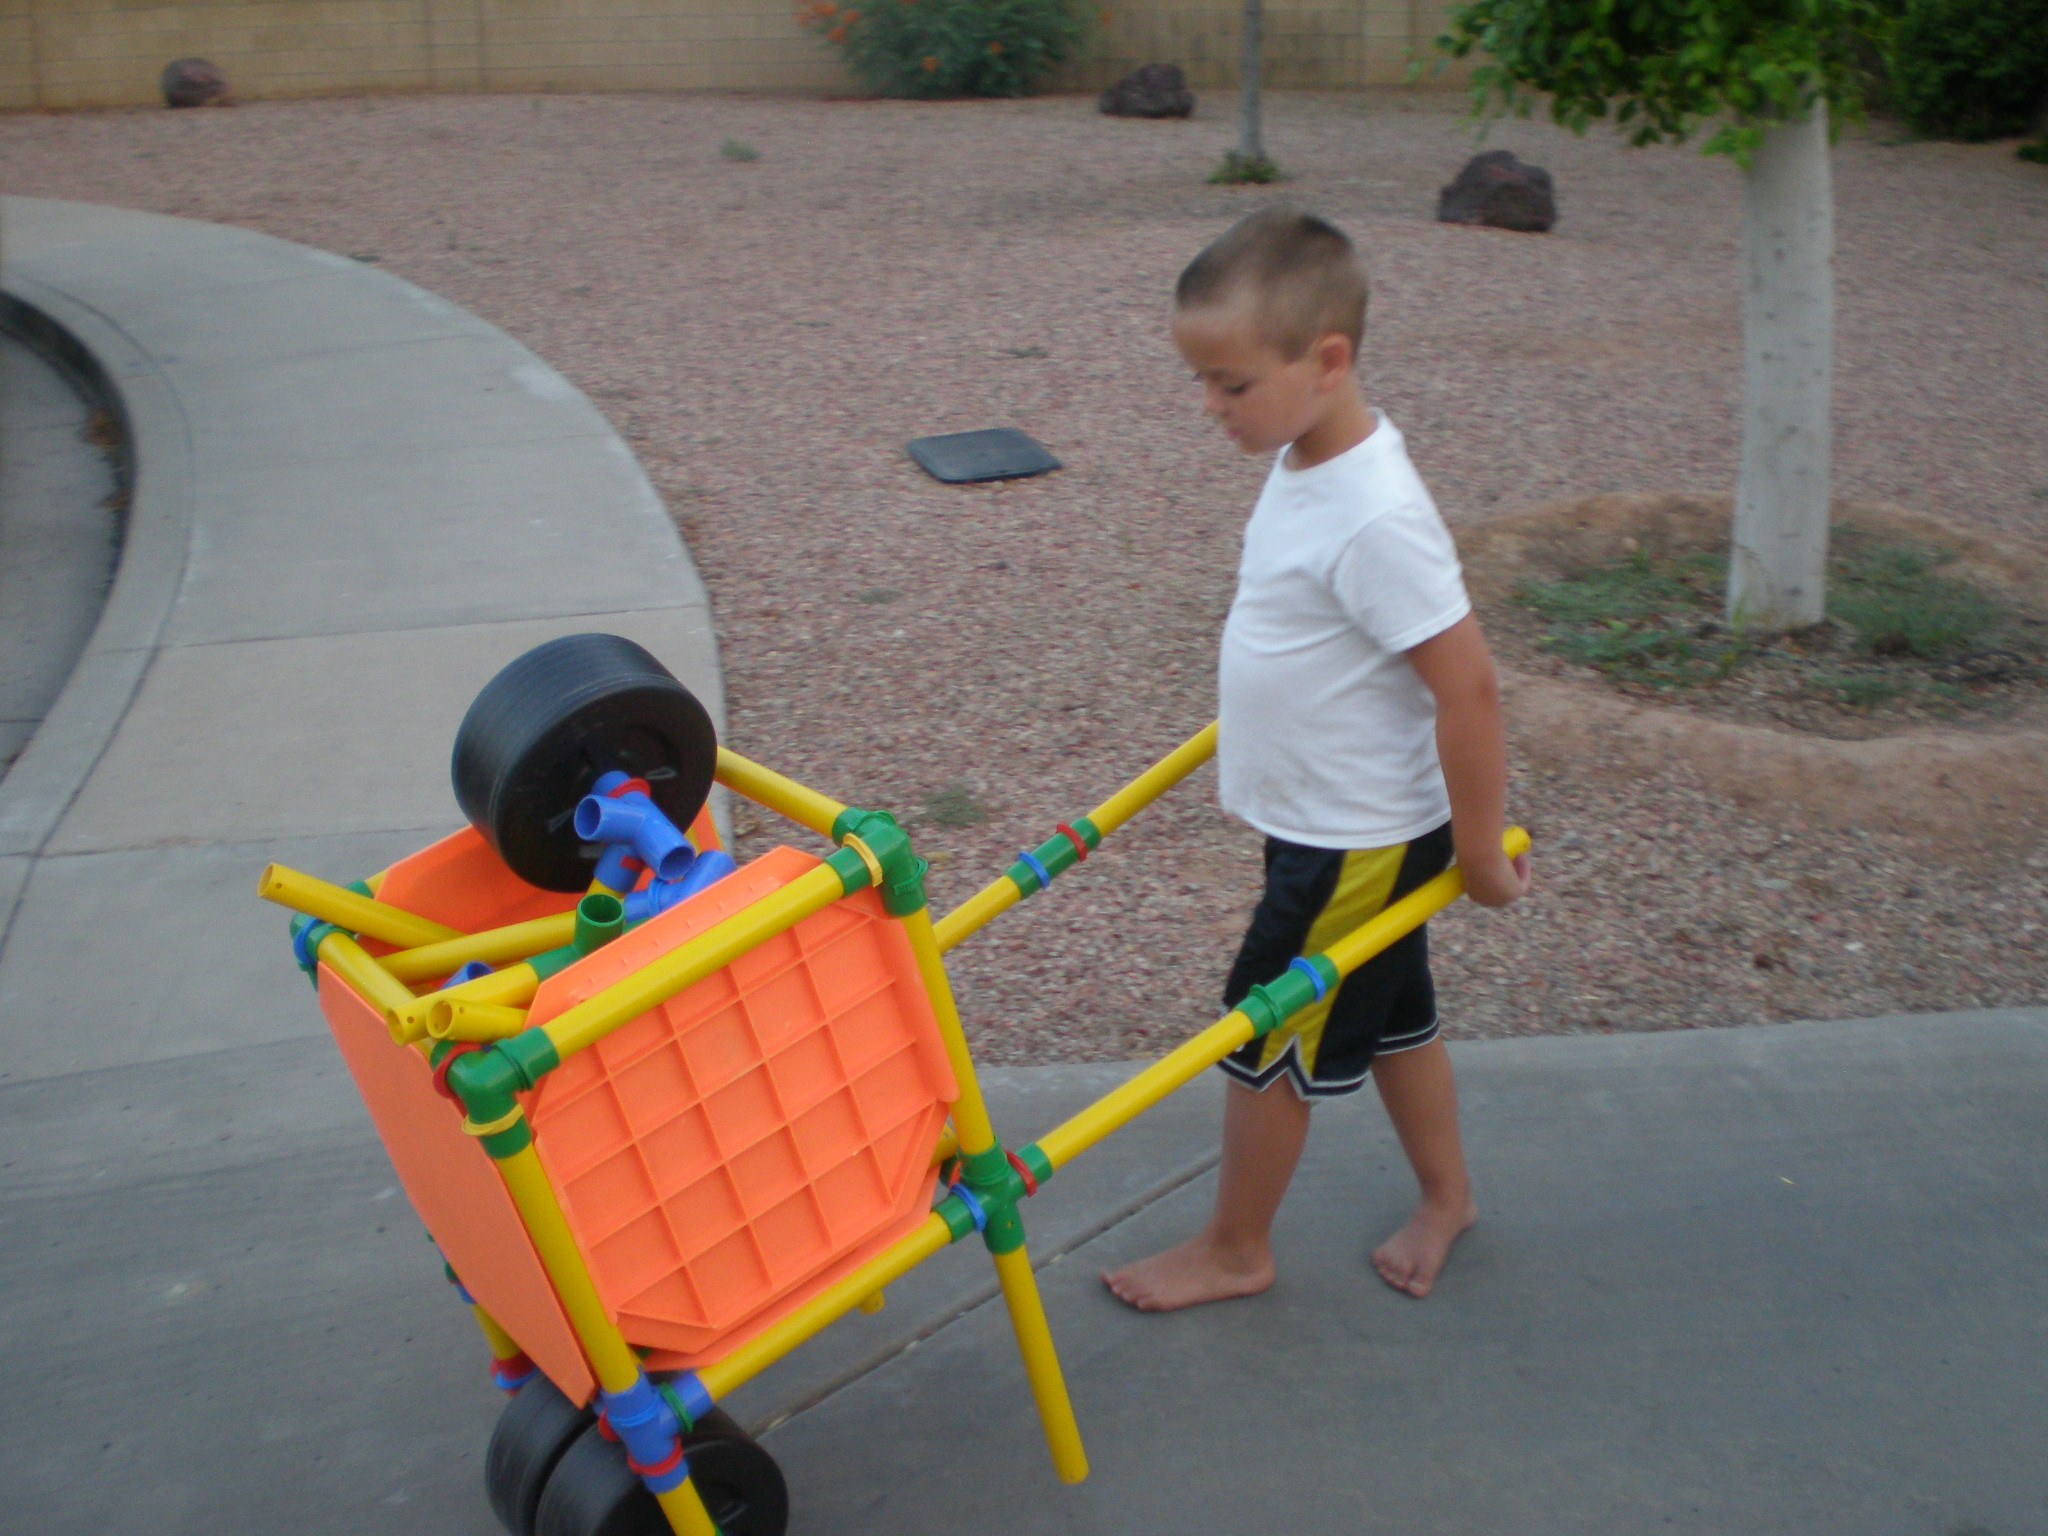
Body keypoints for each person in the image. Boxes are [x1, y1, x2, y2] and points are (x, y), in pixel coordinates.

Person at [1102, 207, 1531, 1313]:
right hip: (1332, 823)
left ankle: (1235, 1248)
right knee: (1391, 1017)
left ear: (1325, 360)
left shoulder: (1374, 514)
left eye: (1229, 384)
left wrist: (1478, 851)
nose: (1209, 407)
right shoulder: (1308, 455)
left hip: (1354, 839)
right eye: (1199, 381)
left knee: (1264, 1036)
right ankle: (1448, 1198)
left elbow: (1466, 685)